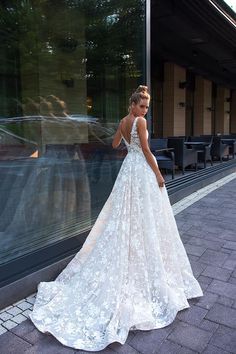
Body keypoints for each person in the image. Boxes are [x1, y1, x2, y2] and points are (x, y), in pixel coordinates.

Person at [29, 85, 203, 351]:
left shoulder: (124, 121)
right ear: (133, 104)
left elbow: (113, 144)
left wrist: (123, 133)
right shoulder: (141, 122)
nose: (145, 111)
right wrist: (158, 174)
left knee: (127, 214)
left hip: (128, 170)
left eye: (147, 107)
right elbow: (145, 150)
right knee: (144, 215)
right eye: (142, 106)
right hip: (142, 169)